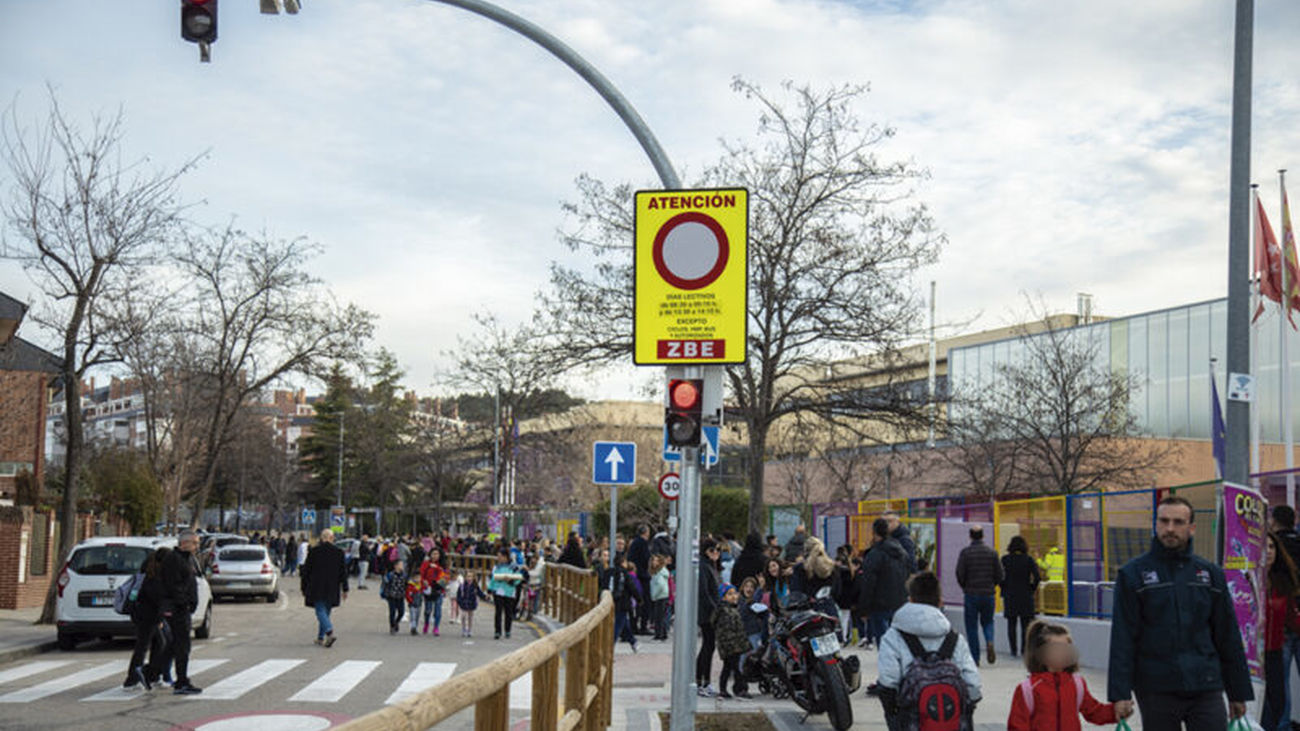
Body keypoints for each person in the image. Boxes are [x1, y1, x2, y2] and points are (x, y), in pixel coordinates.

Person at [1108, 495, 1253, 730]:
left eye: (1178, 522)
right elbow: (1123, 637)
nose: (1170, 528)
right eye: (1164, 521)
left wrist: (1238, 692)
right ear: (1156, 524)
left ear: (1192, 528)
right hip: (1155, 687)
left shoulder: (1210, 574)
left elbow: (1228, 635)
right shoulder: (1132, 575)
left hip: (1205, 685)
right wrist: (1120, 693)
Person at [877, 571, 981, 730]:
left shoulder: (893, 637)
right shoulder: (955, 639)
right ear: (940, 602)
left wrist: (894, 715)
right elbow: (973, 685)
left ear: (910, 600)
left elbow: (888, 682)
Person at [1008, 620, 1124, 730]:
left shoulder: (1077, 684)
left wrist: (1116, 711)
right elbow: (1017, 726)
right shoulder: (1028, 689)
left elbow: (1094, 712)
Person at [153, 530, 202, 695]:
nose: (197, 546)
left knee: (175, 645)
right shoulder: (174, 559)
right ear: (184, 543)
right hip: (177, 609)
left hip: (182, 608)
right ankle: (181, 682)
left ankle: (150, 672)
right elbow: (173, 585)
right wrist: (184, 603)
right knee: (182, 646)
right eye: (195, 543)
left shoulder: (186, 559)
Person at [1262, 531, 1300, 731]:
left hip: (1274, 653)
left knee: (1277, 706)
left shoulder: (1282, 582)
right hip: (1251, 657)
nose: (1268, 551)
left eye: (1272, 547)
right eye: (1264, 546)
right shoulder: (1245, 580)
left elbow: (1293, 619)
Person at [955, 525, 1003, 665]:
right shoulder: (992, 553)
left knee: (971, 627)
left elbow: (960, 573)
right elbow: (1000, 574)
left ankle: (975, 658)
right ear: (983, 536)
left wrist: (965, 586)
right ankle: (989, 641)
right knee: (988, 622)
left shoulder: (965, 553)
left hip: (971, 594)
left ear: (970, 536)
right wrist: (992, 585)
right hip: (988, 594)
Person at [124, 548, 167, 690]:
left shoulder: (148, 575)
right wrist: (160, 619)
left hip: (144, 616)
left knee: (159, 643)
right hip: (148, 618)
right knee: (143, 647)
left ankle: (152, 676)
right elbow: (157, 600)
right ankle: (132, 680)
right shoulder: (153, 578)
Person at [301, 529, 349, 647]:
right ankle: (321, 637)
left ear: (321, 538)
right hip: (333, 586)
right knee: (326, 612)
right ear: (332, 538)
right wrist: (345, 588)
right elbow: (343, 572)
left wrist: (303, 587)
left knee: (320, 611)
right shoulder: (339, 552)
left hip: (317, 586)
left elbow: (306, 571)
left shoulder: (314, 551)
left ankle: (329, 631)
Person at [1001, 535, 1042, 658]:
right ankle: (1024, 650)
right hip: (1025, 595)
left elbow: (999, 576)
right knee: (1025, 625)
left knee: (1011, 624)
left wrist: (1004, 587)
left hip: (1010, 595)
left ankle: (1013, 650)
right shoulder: (1028, 560)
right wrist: (1031, 588)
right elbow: (1037, 577)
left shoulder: (1005, 560)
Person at [713, 583, 752, 699]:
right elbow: (727, 631)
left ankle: (724, 689)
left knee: (728, 668)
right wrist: (734, 646)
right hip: (731, 646)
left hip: (734, 645)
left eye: (734, 593)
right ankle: (740, 689)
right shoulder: (725, 611)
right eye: (729, 594)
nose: (734, 596)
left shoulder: (732, 609)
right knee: (735, 668)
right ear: (723, 597)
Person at [697, 538, 722, 697]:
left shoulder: (711, 566)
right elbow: (704, 593)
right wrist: (716, 610)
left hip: (711, 612)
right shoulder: (704, 567)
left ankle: (703, 681)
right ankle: (701, 681)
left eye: (718, 550)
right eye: (712, 550)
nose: (716, 553)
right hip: (707, 614)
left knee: (709, 646)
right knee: (708, 646)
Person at [605, 552, 640, 653]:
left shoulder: (609, 572)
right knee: (617, 626)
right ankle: (609, 649)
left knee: (624, 623)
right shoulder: (625, 574)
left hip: (608, 601)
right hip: (622, 603)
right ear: (623, 562)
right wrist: (639, 599)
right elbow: (632, 588)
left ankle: (633, 642)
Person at [490, 548, 524, 639]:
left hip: (509, 591)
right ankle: (497, 631)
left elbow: (519, 578)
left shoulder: (513, 567)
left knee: (508, 612)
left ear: (505, 557)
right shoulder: (496, 567)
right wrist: (490, 589)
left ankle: (507, 630)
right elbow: (493, 578)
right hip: (498, 591)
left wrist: (511, 581)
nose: (498, 558)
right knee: (498, 612)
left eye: (500, 556)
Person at [628, 525, 652, 634]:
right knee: (644, 602)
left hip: (635, 574)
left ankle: (634, 625)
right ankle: (643, 626)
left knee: (636, 602)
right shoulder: (642, 543)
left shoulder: (634, 543)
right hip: (642, 575)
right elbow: (645, 558)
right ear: (646, 532)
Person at [419, 547, 449, 636]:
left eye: (437, 554)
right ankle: (426, 624)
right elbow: (421, 575)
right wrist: (423, 582)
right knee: (428, 610)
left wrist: (438, 568)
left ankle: (436, 627)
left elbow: (446, 577)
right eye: (433, 554)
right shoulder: (425, 564)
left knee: (437, 610)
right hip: (428, 589)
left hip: (439, 590)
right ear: (430, 555)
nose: (435, 556)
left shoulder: (443, 565)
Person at [457, 571, 489, 637]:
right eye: (468, 576)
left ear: (473, 578)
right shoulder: (462, 586)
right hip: (464, 602)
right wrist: (459, 601)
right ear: (465, 577)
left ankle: (469, 630)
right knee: (463, 616)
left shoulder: (475, 586)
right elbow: (458, 594)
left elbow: (479, 593)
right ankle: (464, 629)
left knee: (470, 617)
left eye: (470, 576)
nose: (469, 578)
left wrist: (485, 597)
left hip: (472, 602)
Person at [381, 558, 407, 634]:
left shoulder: (404, 575)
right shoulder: (390, 575)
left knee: (401, 612)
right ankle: (392, 626)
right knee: (392, 612)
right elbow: (384, 584)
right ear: (395, 566)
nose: (402, 566)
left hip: (400, 596)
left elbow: (407, 585)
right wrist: (384, 593)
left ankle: (396, 622)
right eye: (400, 564)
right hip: (391, 596)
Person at [650, 554, 671, 641]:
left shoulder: (660, 573)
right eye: (653, 560)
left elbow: (660, 585)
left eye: (656, 560)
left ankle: (659, 635)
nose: (654, 562)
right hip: (663, 595)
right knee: (662, 616)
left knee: (659, 616)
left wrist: (654, 594)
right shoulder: (661, 572)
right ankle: (663, 634)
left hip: (660, 596)